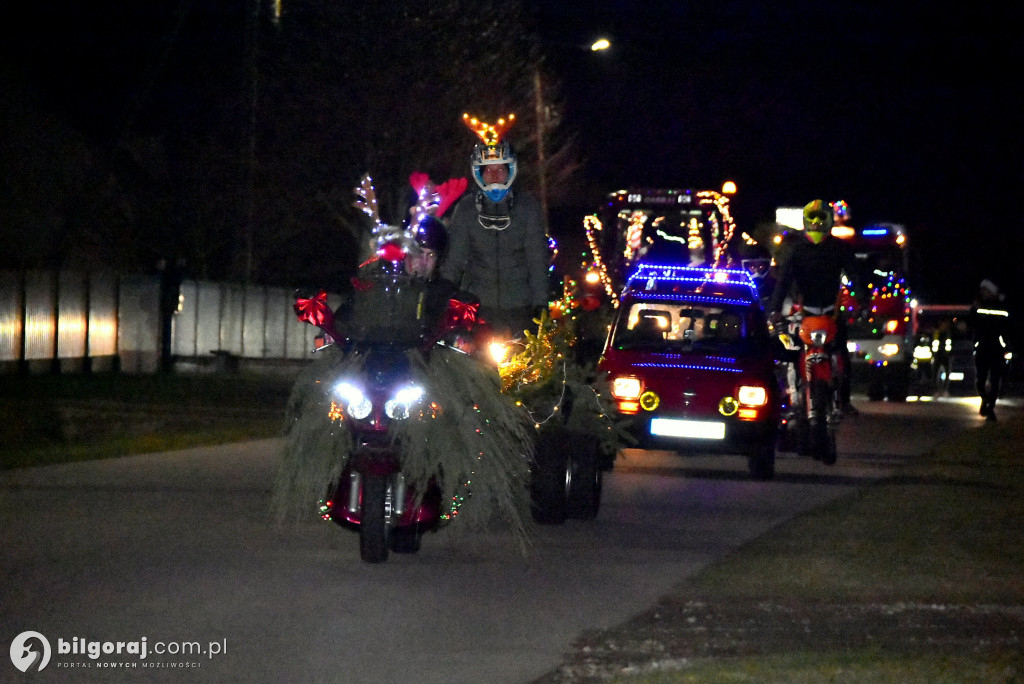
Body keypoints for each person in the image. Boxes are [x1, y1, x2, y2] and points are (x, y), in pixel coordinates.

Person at [441, 117, 550, 339]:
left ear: (511, 171)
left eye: (500, 170)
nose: (494, 176)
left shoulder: (527, 208)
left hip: (520, 309)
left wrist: (541, 306)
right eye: (488, 170)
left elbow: (537, 261)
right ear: (478, 172)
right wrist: (443, 296)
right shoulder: (466, 209)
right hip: (478, 309)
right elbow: (454, 260)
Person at [769, 199, 858, 412]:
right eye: (813, 218)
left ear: (829, 220)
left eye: (821, 218)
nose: (817, 223)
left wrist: (861, 299)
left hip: (831, 313)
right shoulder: (796, 250)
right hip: (805, 312)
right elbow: (784, 281)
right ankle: (796, 394)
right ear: (805, 221)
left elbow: (856, 276)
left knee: (841, 352)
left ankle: (844, 400)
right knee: (794, 352)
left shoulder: (839, 248)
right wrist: (774, 309)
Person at [971, 279, 1012, 421]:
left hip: (997, 349)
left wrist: (1007, 347)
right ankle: (985, 399)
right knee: (980, 381)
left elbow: (1008, 328)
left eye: (985, 290)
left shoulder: (1002, 306)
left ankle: (990, 408)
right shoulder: (978, 305)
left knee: (995, 380)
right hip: (982, 348)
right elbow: (972, 324)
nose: (983, 292)